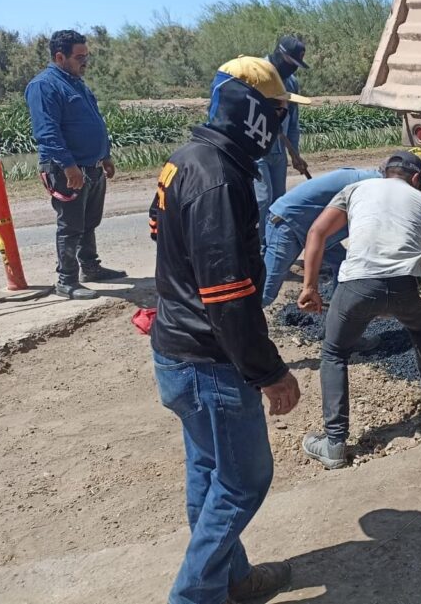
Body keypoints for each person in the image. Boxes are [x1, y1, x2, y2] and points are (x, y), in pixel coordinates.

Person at [149, 56, 311, 604]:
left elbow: (160, 233)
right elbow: (228, 296)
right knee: (244, 481)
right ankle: (193, 597)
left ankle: (231, 581)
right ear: (253, 112)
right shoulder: (219, 178)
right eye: (280, 111)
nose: (284, 123)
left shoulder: (186, 160)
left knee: (209, 473)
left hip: (178, 351)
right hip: (209, 361)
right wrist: (269, 372)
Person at [297, 151, 421, 470]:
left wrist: (310, 287)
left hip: (359, 286)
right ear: (414, 179)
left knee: (334, 353)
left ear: (386, 173)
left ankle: (334, 443)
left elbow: (316, 233)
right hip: (407, 287)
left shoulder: (358, 189)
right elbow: (416, 245)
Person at [25, 29, 125, 300]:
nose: (85, 62)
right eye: (80, 57)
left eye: (86, 56)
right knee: (70, 225)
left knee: (88, 221)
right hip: (66, 169)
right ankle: (66, 280)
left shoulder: (76, 82)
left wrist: (105, 155)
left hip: (91, 166)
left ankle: (90, 268)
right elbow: (47, 132)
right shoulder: (44, 86)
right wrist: (69, 167)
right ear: (60, 56)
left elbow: (92, 121)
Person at [214, 36, 311, 252]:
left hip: (277, 153)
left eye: (297, 66)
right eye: (291, 64)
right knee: (262, 200)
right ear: (280, 54)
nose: (292, 70)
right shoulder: (254, 74)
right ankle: (256, 248)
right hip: (255, 151)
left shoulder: (291, 83)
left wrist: (295, 154)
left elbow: (293, 124)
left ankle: (274, 247)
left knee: (279, 202)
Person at [261, 166, 382, 307]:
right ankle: (236, 324)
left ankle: (337, 314)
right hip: (288, 223)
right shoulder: (371, 187)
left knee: (342, 265)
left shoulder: (376, 181)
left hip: (316, 229)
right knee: (266, 292)